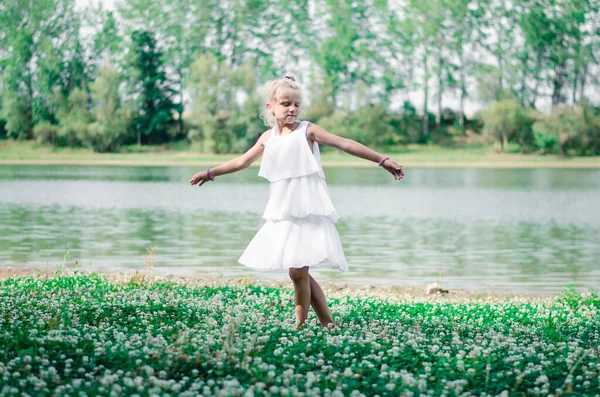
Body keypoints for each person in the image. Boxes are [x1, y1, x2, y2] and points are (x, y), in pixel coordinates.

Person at [190, 75, 404, 330]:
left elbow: (344, 143)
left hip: (308, 208)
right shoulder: (268, 138)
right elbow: (242, 161)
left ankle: (301, 325)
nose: (292, 109)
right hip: (284, 210)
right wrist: (211, 173)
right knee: (297, 272)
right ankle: (328, 324)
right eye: (285, 103)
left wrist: (382, 159)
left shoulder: (307, 131)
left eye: (296, 104)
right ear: (271, 107)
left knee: (298, 271)